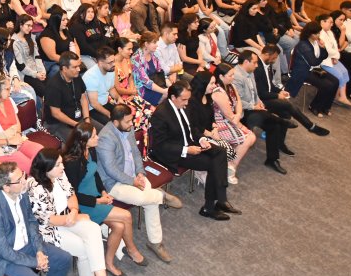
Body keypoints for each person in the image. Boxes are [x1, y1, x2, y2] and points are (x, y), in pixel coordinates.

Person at [96, 104, 181, 264]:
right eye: (128, 121)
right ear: (116, 122)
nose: (131, 124)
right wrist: (132, 182)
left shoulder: (126, 129)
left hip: (134, 175)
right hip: (114, 184)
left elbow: (135, 153)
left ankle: (155, 242)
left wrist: (140, 172)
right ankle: (161, 195)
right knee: (145, 199)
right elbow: (111, 170)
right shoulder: (106, 138)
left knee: (150, 201)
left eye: (131, 120)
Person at [0, 161, 71, 276]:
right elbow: (3, 251)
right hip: (4, 256)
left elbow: (31, 221)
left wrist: (39, 250)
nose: (24, 181)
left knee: (64, 258)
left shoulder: (21, 192)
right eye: (19, 180)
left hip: (26, 243)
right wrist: (35, 262)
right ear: (6, 187)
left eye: (23, 175)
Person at [64, 121, 146, 276]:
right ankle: (131, 250)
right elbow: (72, 194)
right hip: (83, 205)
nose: (98, 138)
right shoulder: (72, 162)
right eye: (94, 136)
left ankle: (108, 263)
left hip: (96, 196)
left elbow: (95, 173)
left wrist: (102, 191)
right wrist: (97, 201)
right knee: (126, 216)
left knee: (119, 226)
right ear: (83, 141)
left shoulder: (91, 150)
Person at [149, 81, 240, 221]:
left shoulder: (185, 105)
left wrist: (202, 139)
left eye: (188, 99)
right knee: (214, 163)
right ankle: (210, 207)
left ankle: (221, 200)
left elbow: (193, 129)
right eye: (184, 99)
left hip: (191, 144)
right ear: (173, 97)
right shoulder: (160, 114)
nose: (187, 103)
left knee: (220, 152)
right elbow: (160, 146)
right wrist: (186, 150)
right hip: (175, 153)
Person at [26, 148, 112, 276]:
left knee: (94, 228)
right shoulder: (35, 187)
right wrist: (75, 218)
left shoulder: (59, 174)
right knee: (83, 247)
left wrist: (74, 211)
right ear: (46, 168)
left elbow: (71, 194)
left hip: (67, 217)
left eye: (61, 163)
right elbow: (49, 220)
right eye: (58, 164)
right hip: (50, 229)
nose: (63, 167)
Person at [232, 51, 294, 174]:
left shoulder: (250, 72)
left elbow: (255, 93)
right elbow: (236, 101)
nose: (257, 65)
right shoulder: (236, 76)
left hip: (253, 108)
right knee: (271, 118)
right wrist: (254, 106)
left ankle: (272, 159)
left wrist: (259, 102)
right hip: (242, 112)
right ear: (246, 62)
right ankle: (281, 121)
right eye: (254, 62)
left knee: (274, 125)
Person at [255, 45, 329, 136]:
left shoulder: (267, 64)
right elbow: (261, 93)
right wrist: (277, 96)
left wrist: (280, 91)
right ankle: (310, 126)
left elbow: (269, 85)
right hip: (260, 101)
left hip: (267, 96)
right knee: (288, 104)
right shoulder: (257, 67)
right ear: (267, 54)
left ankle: (279, 141)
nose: (274, 60)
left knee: (286, 114)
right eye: (273, 58)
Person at [208, 65, 256, 184]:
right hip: (219, 123)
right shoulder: (218, 92)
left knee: (250, 137)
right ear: (221, 76)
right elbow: (229, 116)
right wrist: (241, 125)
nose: (233, 77)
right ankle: (231, 166)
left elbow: (238, 102)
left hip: (231, 119)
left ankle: (230, 165)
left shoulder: (230, 86)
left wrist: (238, 114)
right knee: (249, 137)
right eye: (230, 75)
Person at [45, 51, 102, 142]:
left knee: (103, 132)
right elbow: (56, 113)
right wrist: (77, 125)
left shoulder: (76, 76)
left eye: (79, 66)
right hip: (59, 123)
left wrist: (87, 119)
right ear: (64, 68)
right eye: (75, 67)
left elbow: (83, 97)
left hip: (78, 118)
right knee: (82, 141)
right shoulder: (53, 86)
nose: (79, 69)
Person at [285, 21, 339, 117]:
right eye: (316, 33)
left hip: (314, 69)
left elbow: (325, 56)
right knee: (327, 85)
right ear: (310, 34)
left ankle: (325, 107)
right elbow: (313, 62)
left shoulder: (316, 42)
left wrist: (323, 48)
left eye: (319, 33)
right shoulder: (303, 45)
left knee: (336, 81)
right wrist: (320, 56)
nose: (318, 35)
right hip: (302, 71)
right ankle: (314, 106)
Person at [113, 37, 154, 134]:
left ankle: (149, 137)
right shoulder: (113, 65)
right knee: (139, 115)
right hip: (120, 97)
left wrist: (133, 92)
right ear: (119, 49)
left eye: (131, 49)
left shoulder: (127, 60)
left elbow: (130, 78)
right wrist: (132, 92)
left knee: (151, 110)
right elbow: (117, 88)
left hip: (130, 93)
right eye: (129, 49)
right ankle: (140, 138)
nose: (131, 52)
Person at [317, 13, 351, 107]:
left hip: (332, 57)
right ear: (322, 22)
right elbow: (327, 50)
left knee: (345, 71)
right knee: (339, 75)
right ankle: (337, 97)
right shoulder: (319, 32)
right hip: (323, 60)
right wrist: (335, 56)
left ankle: (341, 96)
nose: (332, 24)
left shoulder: (330, 32)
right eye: (330, 22)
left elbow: (336, 46)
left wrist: (335, 57)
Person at [83, 46, 121, 126]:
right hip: (93, 109)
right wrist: (108, 113)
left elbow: (111, 88)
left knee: (125, 115)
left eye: (114, 61)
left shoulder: (110, 70)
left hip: (105, 103)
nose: (114, 64)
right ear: (100, 63)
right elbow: (94, 103)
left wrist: (118, 98)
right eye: (110, 62)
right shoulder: (90, 76)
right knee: (113, 125)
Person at [130, 32, 168, 105]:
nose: (157, 45)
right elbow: (146, 82)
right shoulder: (136, 58)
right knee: (168, 95)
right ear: (146, 44)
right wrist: (163, 91)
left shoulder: (153, 54)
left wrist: (171, 87)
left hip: (156, 83)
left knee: (174, 92)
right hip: (144, 89)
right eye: (154, 42)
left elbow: (161, 73)